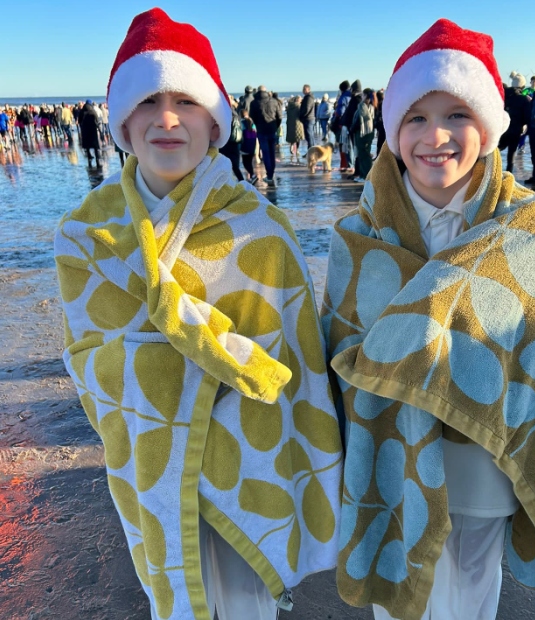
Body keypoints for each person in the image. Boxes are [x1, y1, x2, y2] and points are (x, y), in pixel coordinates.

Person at [54, 9, 342, 620]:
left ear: (214, 120)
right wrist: (211, 353)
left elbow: (293, 369)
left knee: (245, 605)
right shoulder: (85, 234)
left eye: (186, 100)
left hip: (248, 461)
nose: (166, 117)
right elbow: (88, 361)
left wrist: (187, 344)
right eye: (147, 100)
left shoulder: (261, 231)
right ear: (121, 121)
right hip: (153, 463)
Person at [322, 18, 535, 620]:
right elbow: (340, 359)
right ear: (392, 130)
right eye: (416, 117)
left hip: (482, 467)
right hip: (388, 463)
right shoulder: (356, 236)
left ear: (488, 126)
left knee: (470, 600)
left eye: (457, 115)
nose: (434, 135)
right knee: (395, 603)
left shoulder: (526, 224)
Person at [249, 85, 283, 186]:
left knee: (266, 153)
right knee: (272, 153)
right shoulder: (273, 101)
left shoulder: (254, 102)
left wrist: (258, 125)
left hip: (261, 130)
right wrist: (275, 126)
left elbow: (252, 117)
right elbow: (279, 116)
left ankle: (269, 175)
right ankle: (271, 173)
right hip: (272, 129)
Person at [499, 73, 531, 174]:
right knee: (511, 154)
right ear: (522, 86)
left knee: (497, 149)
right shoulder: (524, 99)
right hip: (516, 130)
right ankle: (508, 174)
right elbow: (527, 117)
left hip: (503, 128)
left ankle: (493, 171)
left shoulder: (503, 96)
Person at [351, 89, 376, 182]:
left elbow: (365, 118)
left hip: (364, 133)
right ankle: (364, 175)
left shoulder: (363, 105)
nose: (361, 96)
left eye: (363, 95)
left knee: (364, 155)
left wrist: (354, 127)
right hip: (367, 132)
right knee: (364, 154)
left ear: (365, 96)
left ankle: (366, 176)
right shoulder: (371, 105)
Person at [332, 80, 352, 170]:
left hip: (342, 124)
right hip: (350, 124)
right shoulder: (352, 95)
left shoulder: (343, 97)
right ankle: (350, 164)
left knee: (343, 145)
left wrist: (335, 116)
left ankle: (344, 164)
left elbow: (340, 111)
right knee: (350, 145)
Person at [79, 99, 102, 165]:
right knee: (95, 144)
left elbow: (79, 120)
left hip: (85, 129)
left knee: (87, 144)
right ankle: (97, 156)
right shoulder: (92, 110)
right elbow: (97, 119)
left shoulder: (82, 111)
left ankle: (89, 156)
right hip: (92, 129)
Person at [240, 108, 258, 183]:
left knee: (245, 162)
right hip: (252, 144)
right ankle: (251, 177)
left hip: (245, 144)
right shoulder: (252, 122)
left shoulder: (242, 122)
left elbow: (240, 133)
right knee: (249, 162)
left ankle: (253, 175)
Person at [285, 95, 304, 164]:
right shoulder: (299, 106)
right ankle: (297, 150)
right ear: (298, 100)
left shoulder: (289, 106)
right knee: (298, 136)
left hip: (290, 122)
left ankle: (291, 146)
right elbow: (301, 114)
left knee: (292, 135)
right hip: (298, 122)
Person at [299, 84, 316, 149]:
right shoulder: (307, 97)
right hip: (308, 118)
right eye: (303, 89)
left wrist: (301, 116)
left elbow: (307, 109)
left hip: (308, 119)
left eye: (304, 89)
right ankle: (312, 149)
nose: (303, 90)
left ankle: (311, 150)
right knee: (309, 135)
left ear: (308, 89)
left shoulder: (309, 98)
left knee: (309, 135)